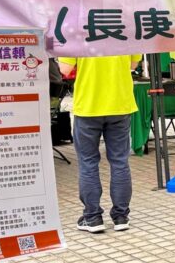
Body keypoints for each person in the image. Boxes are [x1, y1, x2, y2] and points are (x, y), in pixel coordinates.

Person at [58, 54, 142, 233]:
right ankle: (121, 216)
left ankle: (93, 217)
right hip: (120, 104)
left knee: (88, 163)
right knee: (120, 162)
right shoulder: (127, 36)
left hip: (88, 106)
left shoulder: (75, 36)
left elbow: (65, 70)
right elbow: (133, 64)